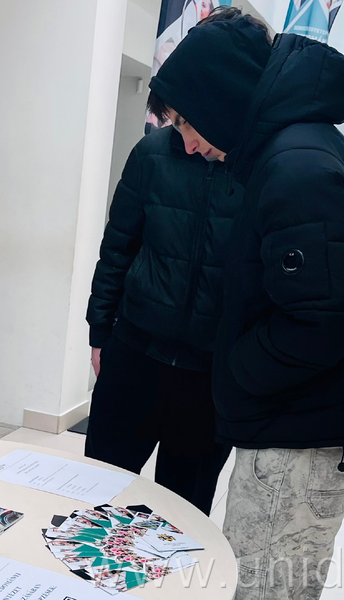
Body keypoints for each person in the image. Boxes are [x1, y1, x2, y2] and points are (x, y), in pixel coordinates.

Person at [146, 7, 344, 598]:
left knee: (263, 589)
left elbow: (323, 322)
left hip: (299, 439)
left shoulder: (297, 167)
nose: (188, 144)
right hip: (297, 426)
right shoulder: (294, 151)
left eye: (187, 123)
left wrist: (236, 371)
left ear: (219, 98)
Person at [84, 66, 243, 513]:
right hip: (134, 355)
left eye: (190, 123)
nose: (186, 139)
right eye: (177, 122)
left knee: (183, 512)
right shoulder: (151, 153)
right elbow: (117, 248)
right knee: (97, 494)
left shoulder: (259, 170)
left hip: (208, 376)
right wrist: (100, 332)